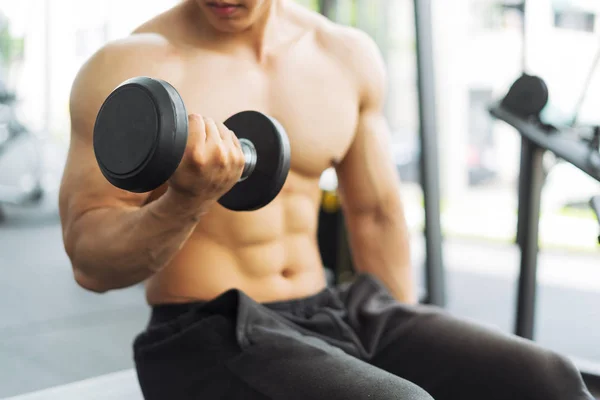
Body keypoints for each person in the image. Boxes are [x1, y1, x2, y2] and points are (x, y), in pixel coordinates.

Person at [59, 1, 593, 399]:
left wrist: (398, 343)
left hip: (332, 310)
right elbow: (90, 261)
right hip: (201, 330)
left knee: (548, 380)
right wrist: (185, 200)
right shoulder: (126, 67)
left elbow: (375, 214)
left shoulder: (343, 55)